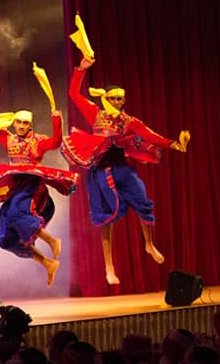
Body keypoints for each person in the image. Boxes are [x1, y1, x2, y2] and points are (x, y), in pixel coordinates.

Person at [62, 56, 188, 285]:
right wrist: (81, 69)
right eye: (114, 98)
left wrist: (171, 143)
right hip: (100, 170)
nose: (118, 101)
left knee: (143, 200)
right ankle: (109, 266)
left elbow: (149, 134)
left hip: (122, 168)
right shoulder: (95, 113)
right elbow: (74, 94)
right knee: (105, 218)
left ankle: (148, 244)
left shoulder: (128, 121)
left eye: (121, 98)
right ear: (105, 99)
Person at [0, 81, 77, 286]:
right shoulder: (9, 140)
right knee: (5, 236)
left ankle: (52, 241)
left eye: (25, 123)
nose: (21, 126)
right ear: (14, 123)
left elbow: (56, 142)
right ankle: (47, 263)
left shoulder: (38, 141)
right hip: (16, 190)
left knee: (17, 214)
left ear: (30, 125)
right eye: (18, 122)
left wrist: (56, 118)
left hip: (33, 188)